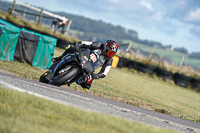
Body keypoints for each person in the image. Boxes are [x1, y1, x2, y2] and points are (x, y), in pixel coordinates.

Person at [51, 40, 118, 90]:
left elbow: (104, 73)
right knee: (71, 48)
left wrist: (95, 76)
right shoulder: (98, 45)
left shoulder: (109, 60)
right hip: (83, 56)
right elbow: (83, 43)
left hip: (89, 69)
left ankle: (68, 80)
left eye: (112, 54)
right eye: (109, 52)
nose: (109, 55)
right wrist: (77, 46)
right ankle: (59, 58)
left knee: (87, 86)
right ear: (105, 47)